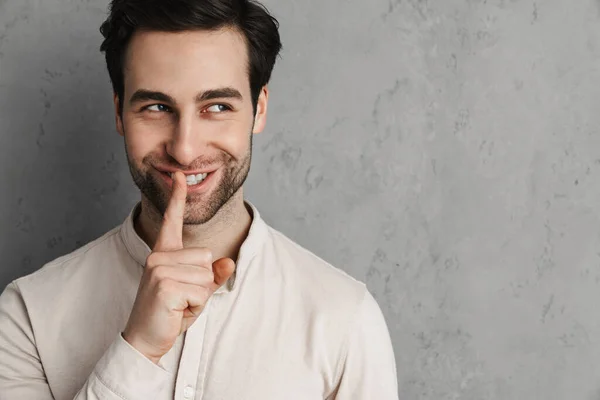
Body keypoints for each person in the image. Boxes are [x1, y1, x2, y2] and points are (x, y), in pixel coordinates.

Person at [0, 0, 399, 398]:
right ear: (120, 113)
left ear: (258, 110)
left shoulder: (346, 320)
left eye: (217, 106)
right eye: (156, 107)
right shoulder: (29, 315)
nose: (185, 150)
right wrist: (137, 349)